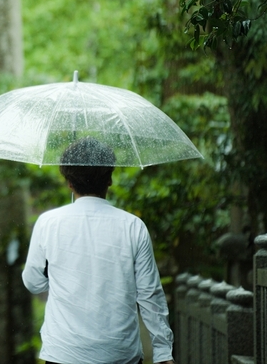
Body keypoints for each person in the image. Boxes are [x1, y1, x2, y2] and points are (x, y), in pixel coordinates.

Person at [22, 137, 175, 364]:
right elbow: (149, 294)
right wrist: (163, 352)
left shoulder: (48, 223)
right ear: (109, 179)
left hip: (64, 352)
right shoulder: (133, 226)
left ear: (69, 183)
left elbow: (33, 283)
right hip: (119, 354)